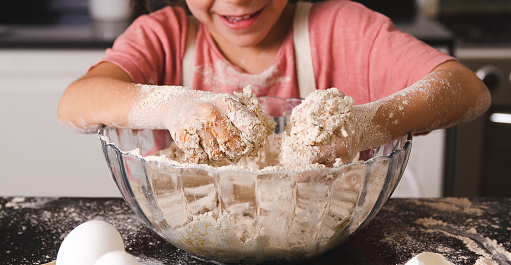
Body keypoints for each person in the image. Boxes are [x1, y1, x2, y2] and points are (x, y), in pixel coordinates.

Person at [57, 0, 490, 166]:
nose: (237, 0)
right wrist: (174, 106)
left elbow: (466, 88)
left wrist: (363, 124)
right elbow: (75, 102)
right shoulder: (163, 37)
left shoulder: (340, 30)